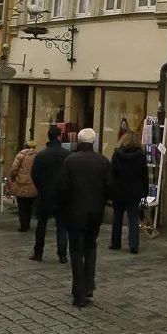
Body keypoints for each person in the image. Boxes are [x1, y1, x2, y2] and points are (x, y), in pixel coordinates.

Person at [58, 127, 113, 308]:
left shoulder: (70, 161)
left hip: (74, 213)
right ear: (94, 142)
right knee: (91, 247)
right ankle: (89, 284)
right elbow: (109, 188)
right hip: (95, 212)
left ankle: (79, 292)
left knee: (76, 251)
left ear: (79, 142)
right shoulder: (103, 161)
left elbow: (63, 188)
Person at [30, 125, 70, 263]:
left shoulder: (41, 155)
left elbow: (34, 174)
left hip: (44, 194)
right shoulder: (67, 155)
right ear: (59, 137)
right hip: (62, 196)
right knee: (62, 226)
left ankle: (38, 252)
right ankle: (62, 254)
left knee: (41, 224)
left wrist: (41, 188)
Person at [109, 132, 147, 254]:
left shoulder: (117, 155)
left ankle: (115, 243)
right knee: (133, 218)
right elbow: (144, 176)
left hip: (118, 191)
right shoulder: (141, 156)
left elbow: (111, 174)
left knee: (117, 217)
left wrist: (110, 190)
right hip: (134, 191)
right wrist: (145, 192)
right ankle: (134, 245)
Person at [6, 141, 38, 232]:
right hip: (33, 183)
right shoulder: (37, 156)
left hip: (21, 183)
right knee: (29, 205)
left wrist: (13, 178)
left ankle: (23, 225)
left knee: (22, 205)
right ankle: (27, 223)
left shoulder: (21, 155)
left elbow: (14, 169)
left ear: (24, 146)